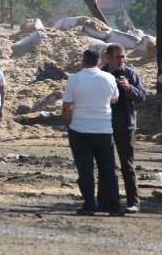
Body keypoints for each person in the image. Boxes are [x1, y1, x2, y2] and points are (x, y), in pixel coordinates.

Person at [62, 50, 123, 216]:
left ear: (83, 62)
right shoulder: (109, 78)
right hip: (103, 129)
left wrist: (68, 124)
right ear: (98, 62)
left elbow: (66, 106)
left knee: (85, 170)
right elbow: (115, 99)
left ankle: (89, 204)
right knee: (108, 170)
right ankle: (115, 206)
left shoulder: (74, 79)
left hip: (80, 129)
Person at [97, 43, 147, 214]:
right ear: (108, 57)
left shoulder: (129, 73)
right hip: (104, 122)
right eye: (117, 57)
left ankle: (133, 202)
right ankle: (104, 202)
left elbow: (142, 97)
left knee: (127, 164)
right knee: (105, 164)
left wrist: (128, 88)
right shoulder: (100, 74)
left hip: (125, 123)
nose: (121, 60)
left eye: (123, 56)